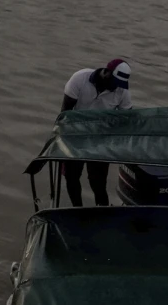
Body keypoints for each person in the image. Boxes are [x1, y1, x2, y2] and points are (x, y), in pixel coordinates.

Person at [56, 58, 133, 206]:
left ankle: (102, 212)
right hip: (75, 136)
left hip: (100, 139)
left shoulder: (122, 92)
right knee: (72, 178)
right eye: (115, 82)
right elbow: (65, 112)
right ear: (106, 73)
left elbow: (126, 119)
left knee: (98, 183)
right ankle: (77, 210)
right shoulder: (79, 79)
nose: (117, 87)